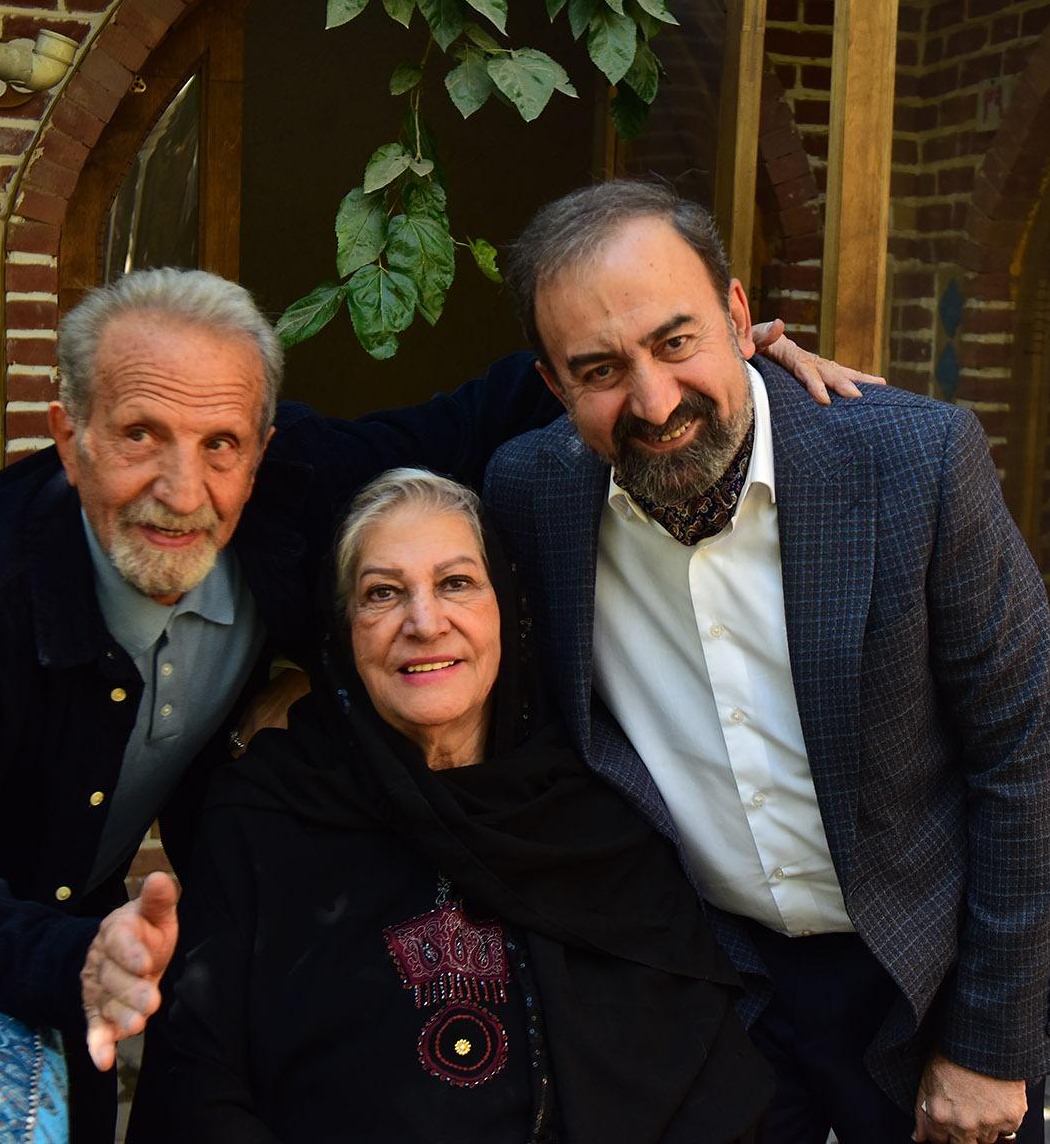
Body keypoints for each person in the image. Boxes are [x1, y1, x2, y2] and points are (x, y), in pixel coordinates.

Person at [0, 264, 856, 1142]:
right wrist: (67, 956)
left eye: (220, 445)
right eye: (140, 434)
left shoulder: (301, 491)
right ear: (70, 434)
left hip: (112, 950)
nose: (182, 490)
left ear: (264, 451)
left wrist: (726, 362)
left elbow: (511, 397)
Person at [484, 181, 1050, 1144]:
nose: (654, 401)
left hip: (928, 975)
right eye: (600, 369)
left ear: (739, 316)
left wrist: (992, 1042)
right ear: (554, 385)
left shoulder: (916, 463)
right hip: (715, 985)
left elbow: (1025, 758)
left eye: (677, 341)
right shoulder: (530, 494)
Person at [127, 469, 772, 1143]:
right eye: (382, 593)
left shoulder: (594, 806)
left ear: (507, 609)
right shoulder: (267, 813)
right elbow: (196, 1078)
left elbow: (708, 1074)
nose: (425, 622)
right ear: (343, 631)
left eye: (456, 583)